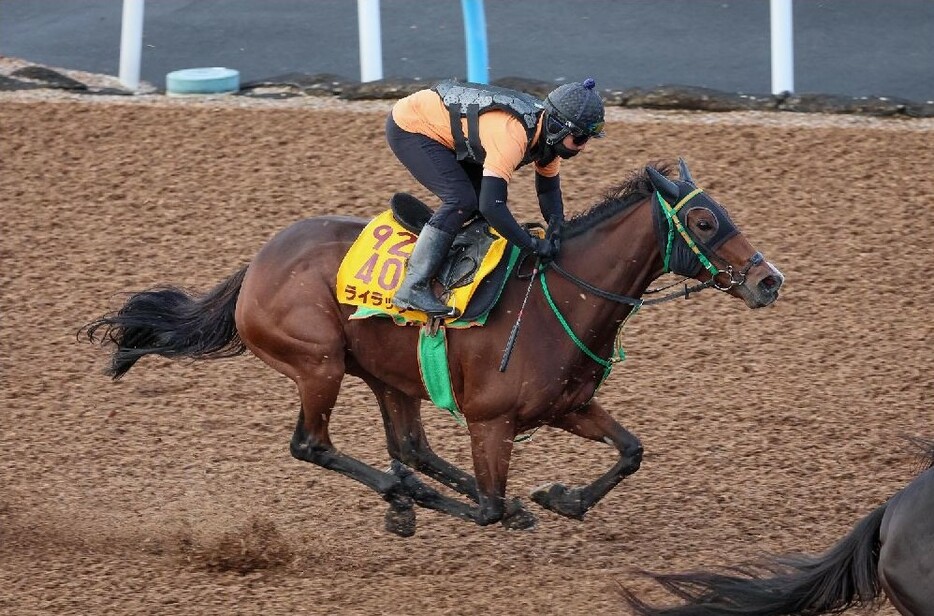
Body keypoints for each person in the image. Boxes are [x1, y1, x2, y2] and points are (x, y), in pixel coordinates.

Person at [386, 77, 606, 316]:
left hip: (457, 133)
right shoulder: (513, 135)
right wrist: (531, 244)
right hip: (412, 127)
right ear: (557, 128)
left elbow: (548, 190)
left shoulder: (548, 140)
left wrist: (556, 227)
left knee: (478, 206)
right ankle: (412, 287)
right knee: (462, 201)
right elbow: (493, 206)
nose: (583, 146)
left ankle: (449, 240)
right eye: (581, 138)